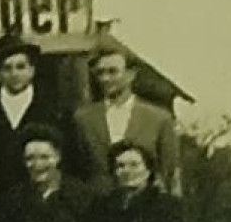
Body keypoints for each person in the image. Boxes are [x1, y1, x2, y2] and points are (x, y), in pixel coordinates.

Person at [0, 33, 66, 196]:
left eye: (21, 66)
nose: (15, 73)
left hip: (41, 199)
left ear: (32, 70)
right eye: (7, 68)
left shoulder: (54, 110)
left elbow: (68, 162)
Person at [72, 47, 182, 196]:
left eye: (113, 71)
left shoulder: (158, 118)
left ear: (131, 74)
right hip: (99, 206)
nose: (105, 79)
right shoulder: (83, 118)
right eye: (100, 73)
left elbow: (170, 172)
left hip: (145, 206)